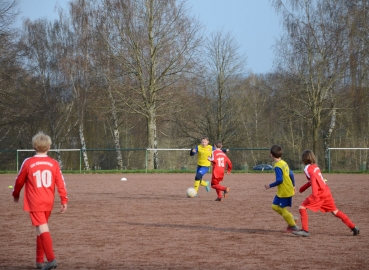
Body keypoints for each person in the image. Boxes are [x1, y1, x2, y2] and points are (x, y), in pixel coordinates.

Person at [12, 132, 68, 270]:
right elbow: (60, 182)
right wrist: (63, 199)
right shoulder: (53, 163)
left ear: (33, 146)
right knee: (40, 229)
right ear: (49, 147)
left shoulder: (28, 162)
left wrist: (16, 193)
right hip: (48, 201)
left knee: (42, 228)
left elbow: (19, 180)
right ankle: (39, 261)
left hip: (35, 201)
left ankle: (51, 259)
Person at [293, 149, 360, 237]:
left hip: (319, 193)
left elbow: (313, 180)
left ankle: (305, 230)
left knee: (302, 207)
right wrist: (302, 189)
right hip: (326, 191)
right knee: (335, 211)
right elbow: (314, 180)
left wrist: (315, 195)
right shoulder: (315, 166)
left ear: (304, 159)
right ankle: (354, 227)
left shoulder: (307, 169)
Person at [264, 145, 299, 232]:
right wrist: (294, 185)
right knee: (274, 206)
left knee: (281, 208)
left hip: (285, 190)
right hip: (283, 190)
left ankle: (293, 226)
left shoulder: (277, 166)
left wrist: (269, 186)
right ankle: (291, 218)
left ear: (271, 155)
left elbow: (279, 180)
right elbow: (291, 174)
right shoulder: (284, 163)